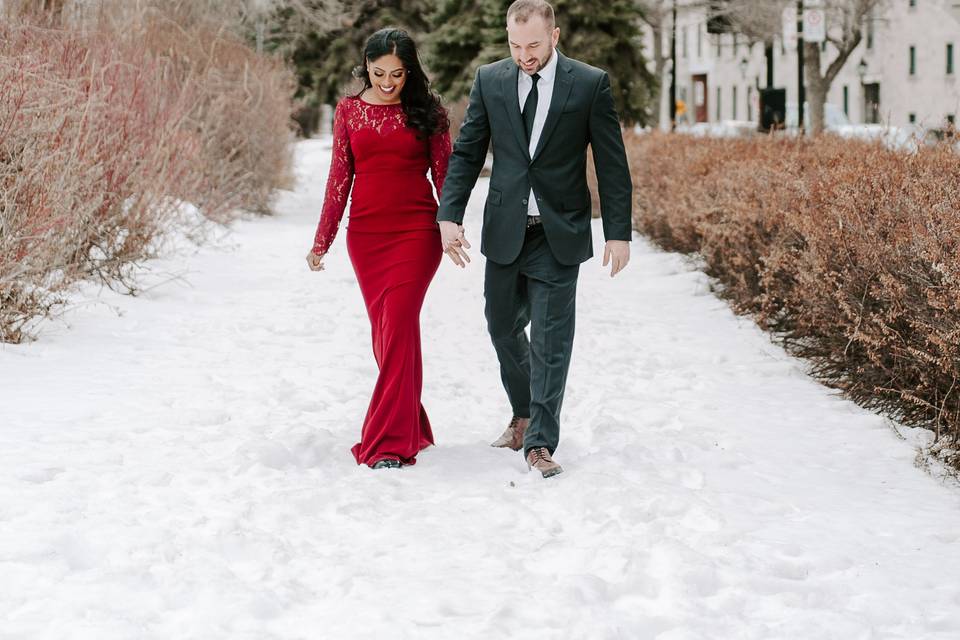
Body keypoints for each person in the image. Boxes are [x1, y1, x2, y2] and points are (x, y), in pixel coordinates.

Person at [437, 0, 633, 478]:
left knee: (550, 339)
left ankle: (540, 442)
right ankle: (523, 412)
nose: (524, 54)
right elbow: (467, 153)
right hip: (507, 229)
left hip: (558, 232)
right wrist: (449, 215)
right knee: (501, 325)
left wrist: (618, 232)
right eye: (515, 44)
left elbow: (611, 162)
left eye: (534, 45)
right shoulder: (491, 79)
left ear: (555, 36)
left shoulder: (589, 84)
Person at [306, 28, 451, 470]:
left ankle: (387, 442)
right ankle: (412, 423)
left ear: (411, 72)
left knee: (401, 321)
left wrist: (452, 226)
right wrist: (322, 241)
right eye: (379, 72)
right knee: (388, 336)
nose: (388, 82)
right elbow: (338, 178)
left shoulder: (428, 111)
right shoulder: (349, 111)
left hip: (417, 233)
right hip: (366, 237)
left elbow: (448, 176)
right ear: (365, 66)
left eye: (398, 74)